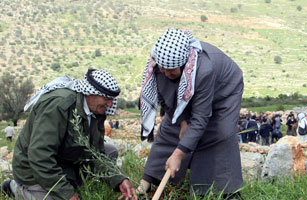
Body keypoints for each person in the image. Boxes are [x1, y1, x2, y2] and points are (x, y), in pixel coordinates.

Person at [138, 29, 243, 198]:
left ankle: (219, 189)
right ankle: (153, 179)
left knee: (219, 132)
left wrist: (179, 154)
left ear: (184, 63)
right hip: (188, 84)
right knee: (172, 126)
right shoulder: (159, 66)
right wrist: (182, 121)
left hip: (224, 91)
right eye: (163, 70)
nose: (166, 74)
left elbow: (201, 118)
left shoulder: (204, 70)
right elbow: (166, 99)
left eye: (170, 71)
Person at [1, 69, 137, 200]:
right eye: (106, 98)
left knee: (110, 151)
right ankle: (16, 188)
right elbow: (40, 156)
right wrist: (66, 193)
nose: (110, 104)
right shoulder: (58, 106)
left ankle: (70, 181)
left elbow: (97, 153)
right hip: (33, 168)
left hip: (66, 159)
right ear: (90, 93)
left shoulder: (97, 110)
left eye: (112, 99)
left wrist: (119, 180)